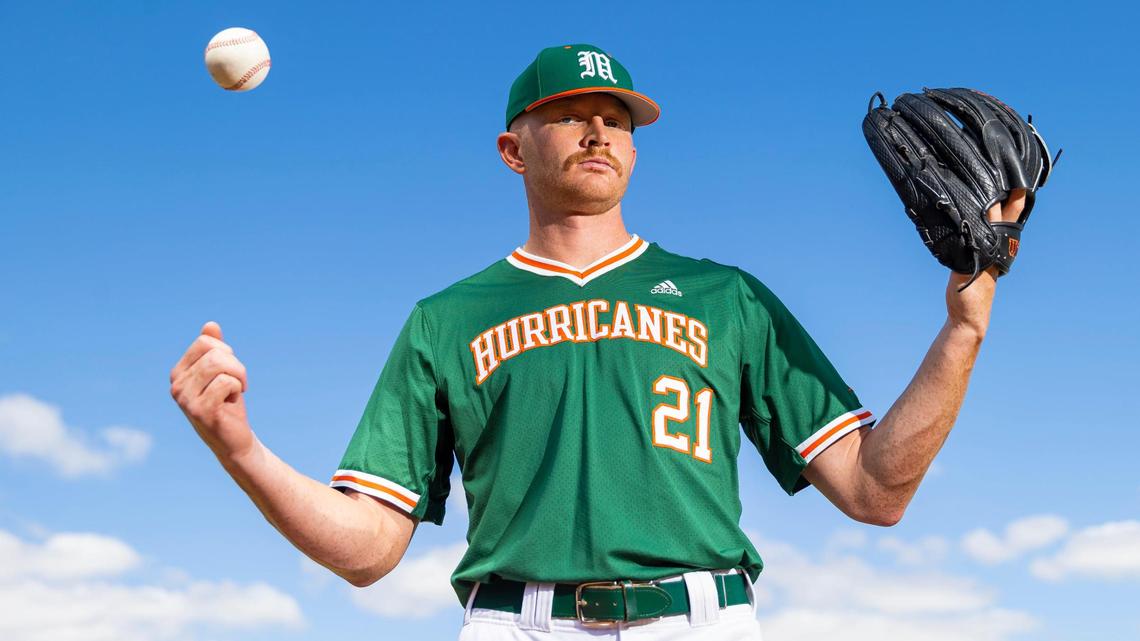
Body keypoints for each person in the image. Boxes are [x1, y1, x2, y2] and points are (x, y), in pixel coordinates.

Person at [169, 43, 1025, 640]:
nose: (597, 132)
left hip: (702, 619)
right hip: (516, 621)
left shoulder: (726, 297)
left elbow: (875, 489)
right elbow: (367, 548)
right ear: (513, 150)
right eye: (570, 114)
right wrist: (239, 447)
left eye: (615, 118)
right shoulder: (447, 318)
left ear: (635, 149)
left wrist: (962, 327)